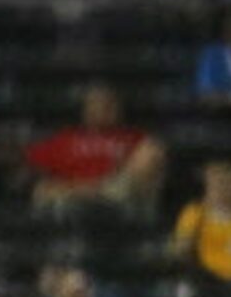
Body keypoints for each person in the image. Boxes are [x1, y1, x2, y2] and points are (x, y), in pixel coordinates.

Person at [25, 85, 164, 209]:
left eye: (110, 103)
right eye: (97, 103)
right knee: (42, 190)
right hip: (73, 193)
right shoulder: (66, 138)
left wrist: (107, 185)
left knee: (151, 152)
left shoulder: (134, 137)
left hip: (118, 192)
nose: (104, 108)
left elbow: (146, 170)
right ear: (85, 109)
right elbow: (29, 163)